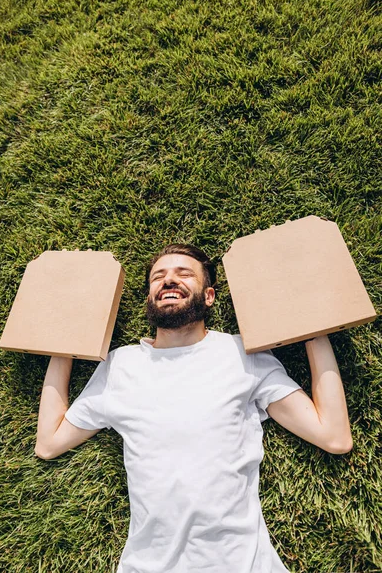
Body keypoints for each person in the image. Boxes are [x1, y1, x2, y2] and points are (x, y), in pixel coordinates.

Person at [35, 244, 353, 573]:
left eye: (183, 274)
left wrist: (313, 331)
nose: (169, 280)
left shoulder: (243, 355)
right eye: (158, 277)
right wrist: (66, 345)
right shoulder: (120, 366)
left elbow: (334, 437)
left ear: (209, 296)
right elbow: (48, 443)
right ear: (149, 298)